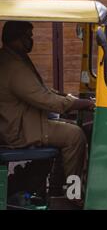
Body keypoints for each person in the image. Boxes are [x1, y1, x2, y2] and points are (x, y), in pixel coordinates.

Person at [0, 21, 95, 183]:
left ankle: (57, 183)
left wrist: (71, 98)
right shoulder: (13, 66)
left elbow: (41, 90)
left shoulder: (14, 58)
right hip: (18, 131)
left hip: (21, 122)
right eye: (28, 36)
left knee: (70, 127)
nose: (31, 40)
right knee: (74, 135)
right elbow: (44, 99)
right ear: (17, 38)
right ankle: (74, 192)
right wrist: (86, 104)